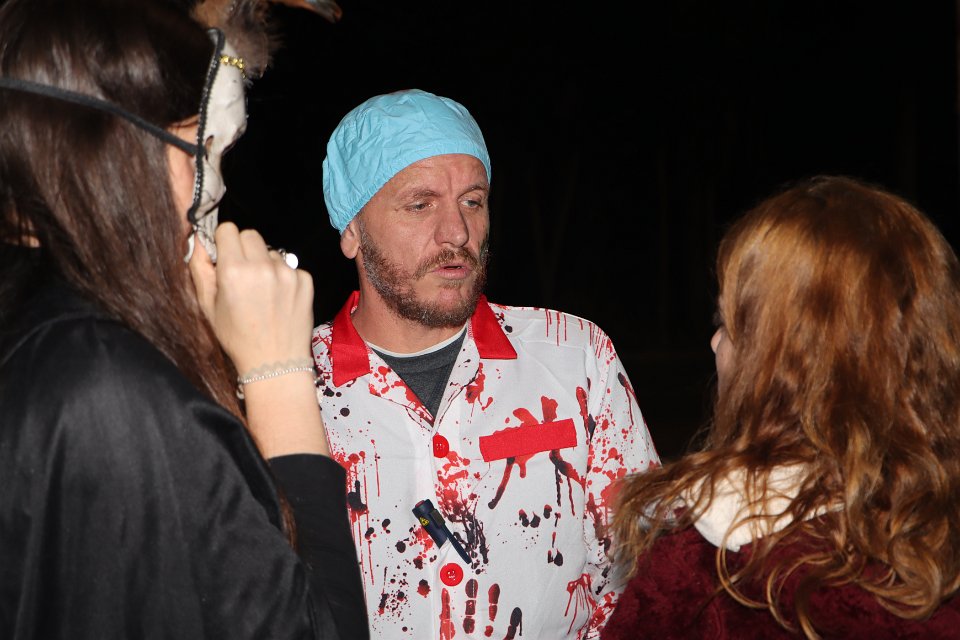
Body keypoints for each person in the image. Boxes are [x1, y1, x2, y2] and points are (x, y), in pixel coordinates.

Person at [0, 1, 366, 638]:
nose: (213, 187)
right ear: (114, 154)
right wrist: (278, 373)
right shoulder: (112, 389)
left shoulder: (40, 323)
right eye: (196, 145)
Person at [314, 88, 661, 639]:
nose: (457, 232)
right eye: (420, 204)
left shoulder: (575, 357)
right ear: (352, 229)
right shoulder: (292, 391)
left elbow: (646, 575)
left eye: (473, 202)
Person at [602, 175, 960, 639]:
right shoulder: (934, 527)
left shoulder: (704, 571)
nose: (714, 343)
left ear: (784, 366)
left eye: (729, 324)